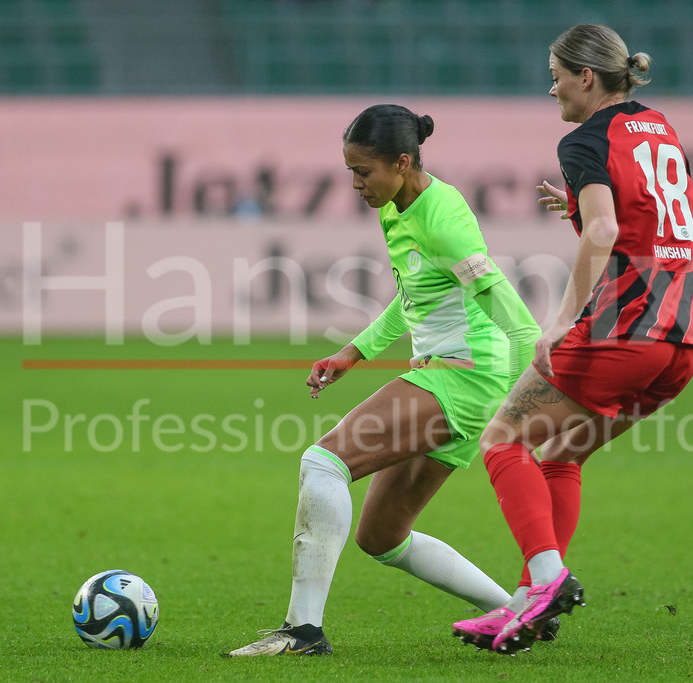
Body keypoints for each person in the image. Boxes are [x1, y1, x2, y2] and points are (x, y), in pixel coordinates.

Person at [227, 104, 543, 656]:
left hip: (468, 379)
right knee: (381, 536)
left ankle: (302, 633)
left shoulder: (442, 220)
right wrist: (356, 351)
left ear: (402, 162)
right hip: (457, 379)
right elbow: (415, 293)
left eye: (363, 171)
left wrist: (515, 406)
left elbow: (519, 323)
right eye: (350, 171)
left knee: (323, 462)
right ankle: (520, 614)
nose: (354, 184)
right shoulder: (399, 205)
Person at [451, 24, 693, 655]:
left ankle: (545, 579)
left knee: (502, 440)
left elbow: (603, 231)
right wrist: (574, 208)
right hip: (684, 338)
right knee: (561, 456)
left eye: (557, 72)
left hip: (623, 331)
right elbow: (644, 219)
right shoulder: (658, 126)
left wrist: (562, 319)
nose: (552, 86)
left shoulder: (583, 140)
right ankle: (525, 608)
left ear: (586, 76)